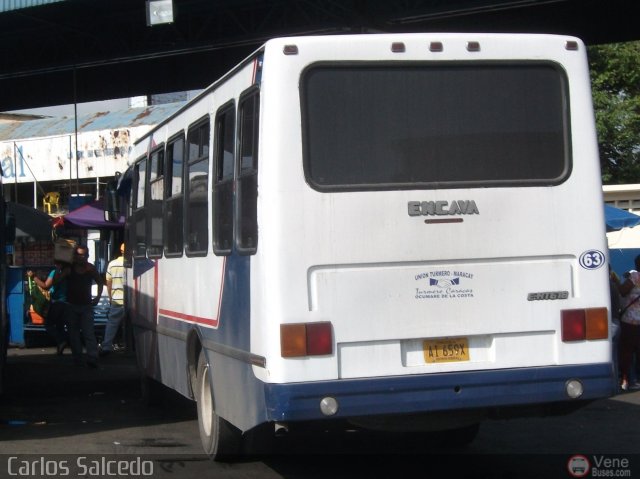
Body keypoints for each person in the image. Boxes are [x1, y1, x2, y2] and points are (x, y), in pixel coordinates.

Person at [61, 245, 104, 368]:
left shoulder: (90, 268)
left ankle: (92, 357)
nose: (81, 257)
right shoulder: (69, 269)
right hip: (71, 305)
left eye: (84, 255)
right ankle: (77, 358)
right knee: (73, 334)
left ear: (88, 256)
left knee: (88, 333)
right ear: (75, 256)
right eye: (79, 254)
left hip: (86, 306)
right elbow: (57, 280)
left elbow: (100, 282)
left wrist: (97, 297)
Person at [27, 261, 69, 355]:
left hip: (57, 302)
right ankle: (60, 346)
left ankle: (61, 341)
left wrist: (34, 277)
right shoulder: (69, 273)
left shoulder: (55, 272)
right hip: (66, 302)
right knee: (59, 325)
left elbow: (45, 286)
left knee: (48, 324)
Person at [612, 254, 640, 391]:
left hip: (630, 320)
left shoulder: (635, 277)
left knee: (627, 351)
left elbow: (622, 291)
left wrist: (616, 281)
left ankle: (626, 379)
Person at [99, 243, 125, 357]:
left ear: (121, 251)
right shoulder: (135, 263)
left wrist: (110, 297)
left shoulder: (112, 264)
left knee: (112, 323)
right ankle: (130, 346)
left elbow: (109, 283)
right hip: (132, 301)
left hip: (117, 300)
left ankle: (106, 346)